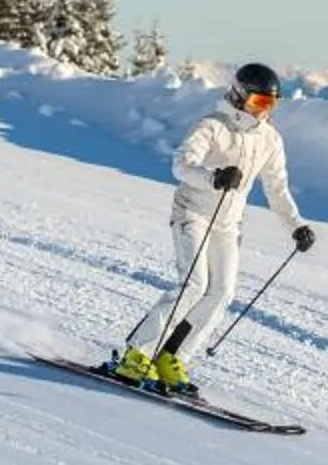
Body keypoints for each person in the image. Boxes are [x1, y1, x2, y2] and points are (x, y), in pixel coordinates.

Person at [111, 62, 315, 397]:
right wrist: (214, 177)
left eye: (270, 104)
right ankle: (137, 354)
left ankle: (172, 357)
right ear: (239, 95)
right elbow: (181, 164)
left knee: (221, 292)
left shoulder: (269, 139)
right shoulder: (212, 126)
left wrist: (297, 226)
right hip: (192, 212)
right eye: (258, 102)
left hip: (228, 223)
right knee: (194, 283)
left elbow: (277, 189)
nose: (263, 111)